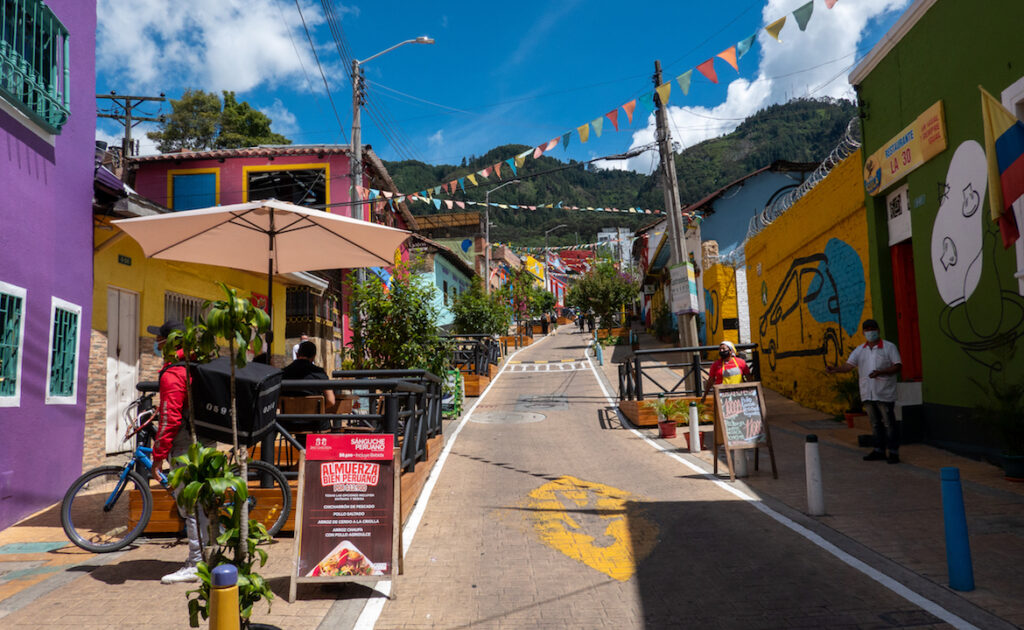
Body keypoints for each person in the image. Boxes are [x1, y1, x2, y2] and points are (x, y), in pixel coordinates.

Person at [148, 319, 209, 584]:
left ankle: (196, 563)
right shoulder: (200, 365)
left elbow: (171, 418)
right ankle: (206, 558)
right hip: (207, 442)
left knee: (190, 504)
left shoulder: (174, 372)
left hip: (186, 446)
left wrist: (158, 455)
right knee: (203, 505)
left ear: (169, 343)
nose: (157, 344)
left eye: (159, 339)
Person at [827, 319, 902, 463]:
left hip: (884, 393)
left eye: (872, 328)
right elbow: (849, 365)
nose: (870, 332)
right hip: (868, 393)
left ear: (878, 330)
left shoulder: (889, 347)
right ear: (863, 332)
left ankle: (893, 452)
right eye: (867, 329)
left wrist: (881, 372)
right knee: (875, 423)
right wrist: (835, 369)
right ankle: (879, 450)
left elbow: (897, 366)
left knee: (889, 424)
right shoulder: (860, 350)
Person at [282, 340, 336, 423]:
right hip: (315, 423)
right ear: (314, 356)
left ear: (297, 354)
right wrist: (316, 411)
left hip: (288, 423)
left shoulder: (283, 373)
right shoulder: (319, 373)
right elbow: (331, 401)